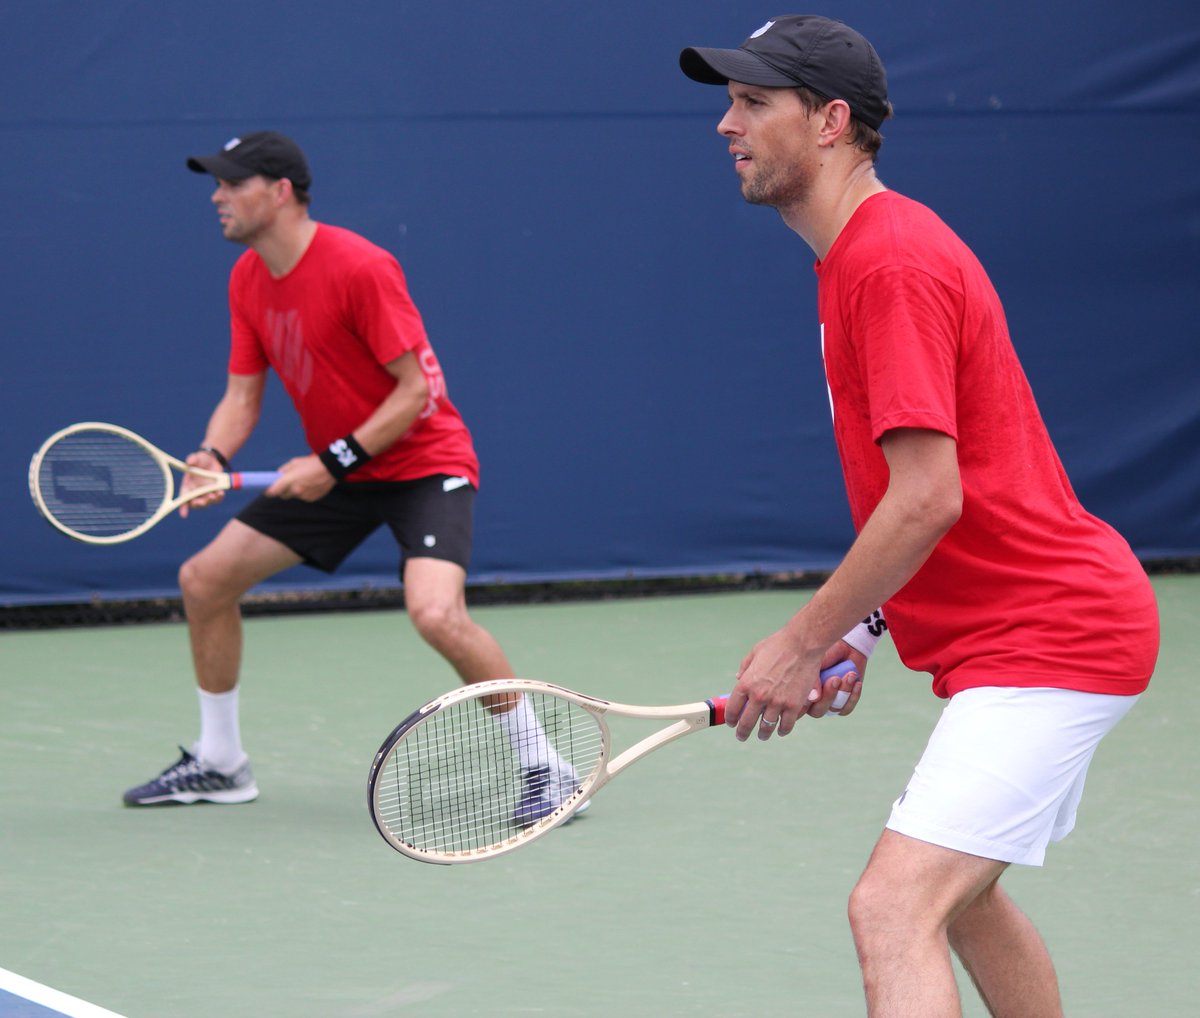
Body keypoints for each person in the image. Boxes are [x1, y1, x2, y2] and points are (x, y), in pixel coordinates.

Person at [679, 16, 1158, 1018]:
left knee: (892, 907)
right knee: (965, 900)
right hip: (1035, 631)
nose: (727, 123)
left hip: (1054, 636)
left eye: (753, 102)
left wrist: (803, 641)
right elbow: (972, 483)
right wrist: (863, 622)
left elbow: (929, 496)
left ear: (830, 121)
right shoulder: (859, 257)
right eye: (729, 100)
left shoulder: (888, 261)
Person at [123, 131, 582, 826]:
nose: (216, 196)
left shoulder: (360, 266)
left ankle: (547, 767)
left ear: (279, 192)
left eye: (231, 183)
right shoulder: (247, 278)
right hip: (343, 468)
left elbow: (416, 393)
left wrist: (331, 462)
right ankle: (221, 763)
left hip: (425, 463)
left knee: (435, 613)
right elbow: (242, 395)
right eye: (215, 183)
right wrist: (212, 456)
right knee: (204, 580)